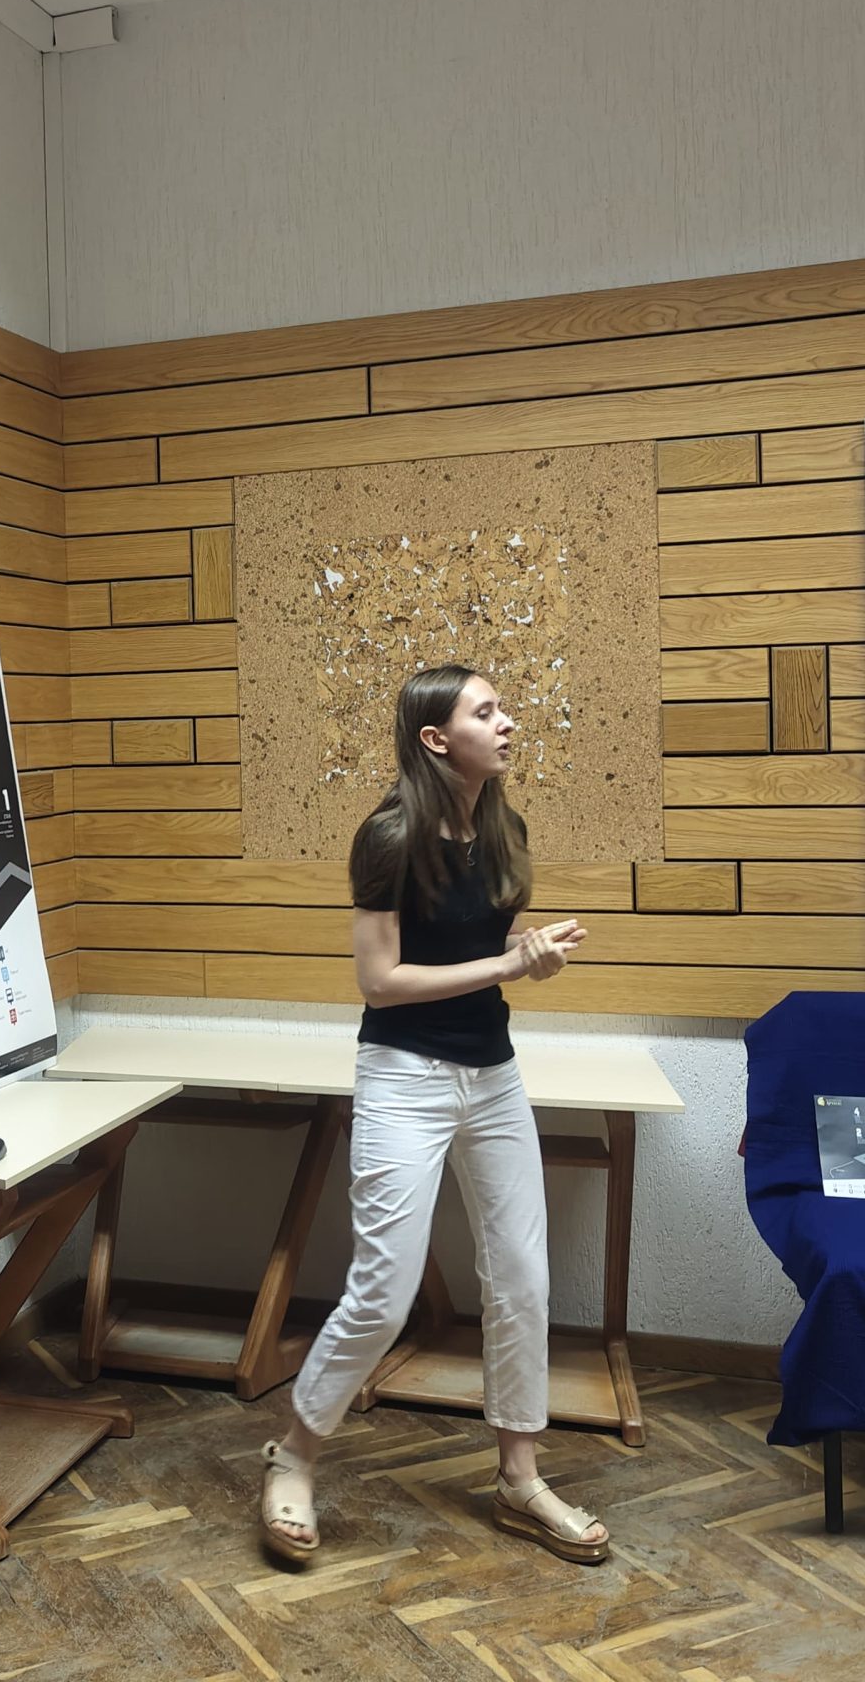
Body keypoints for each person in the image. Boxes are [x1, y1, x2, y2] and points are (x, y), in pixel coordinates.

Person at [257, 664, 608, 1566]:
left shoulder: (502, 828)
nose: (508, 722)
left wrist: (527, 951)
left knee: (521, 1279)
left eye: (502, 709)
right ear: (436, 739)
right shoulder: (388, 837)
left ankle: (519, 1477)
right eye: (486, 712)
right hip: (403, 1077)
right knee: (383, 1291)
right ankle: (292, 1457)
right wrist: (510, 965)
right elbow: (381, 981)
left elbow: (475, 949)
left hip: (492, 1077)